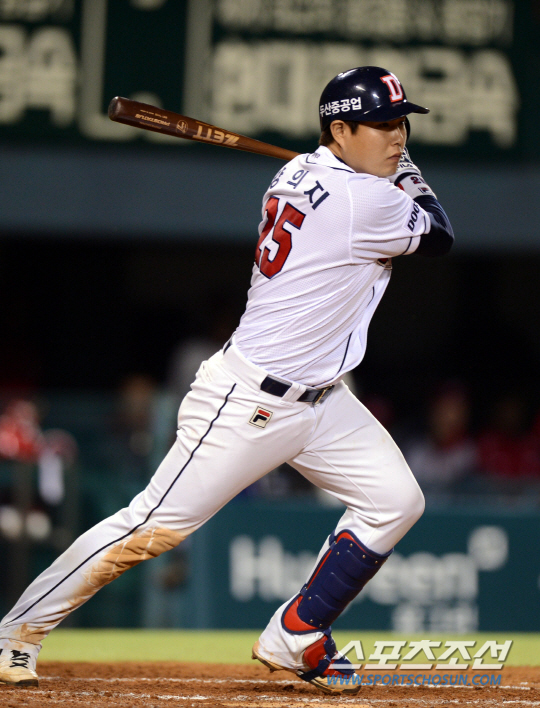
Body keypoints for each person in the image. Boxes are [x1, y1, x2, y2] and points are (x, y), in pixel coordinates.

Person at [0, 66, 453, 695]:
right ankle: (16, 630)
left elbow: (354, 189)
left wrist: (381, 169)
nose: (398, 136)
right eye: (380, 125)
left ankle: (297, 633)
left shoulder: (302, 173)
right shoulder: (363, 200)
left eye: (401, 123)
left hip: (324, 400)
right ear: (340, 131)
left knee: (396, 501)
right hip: (248, 402)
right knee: (150, 527)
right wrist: (410, 176)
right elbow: (440, 234)